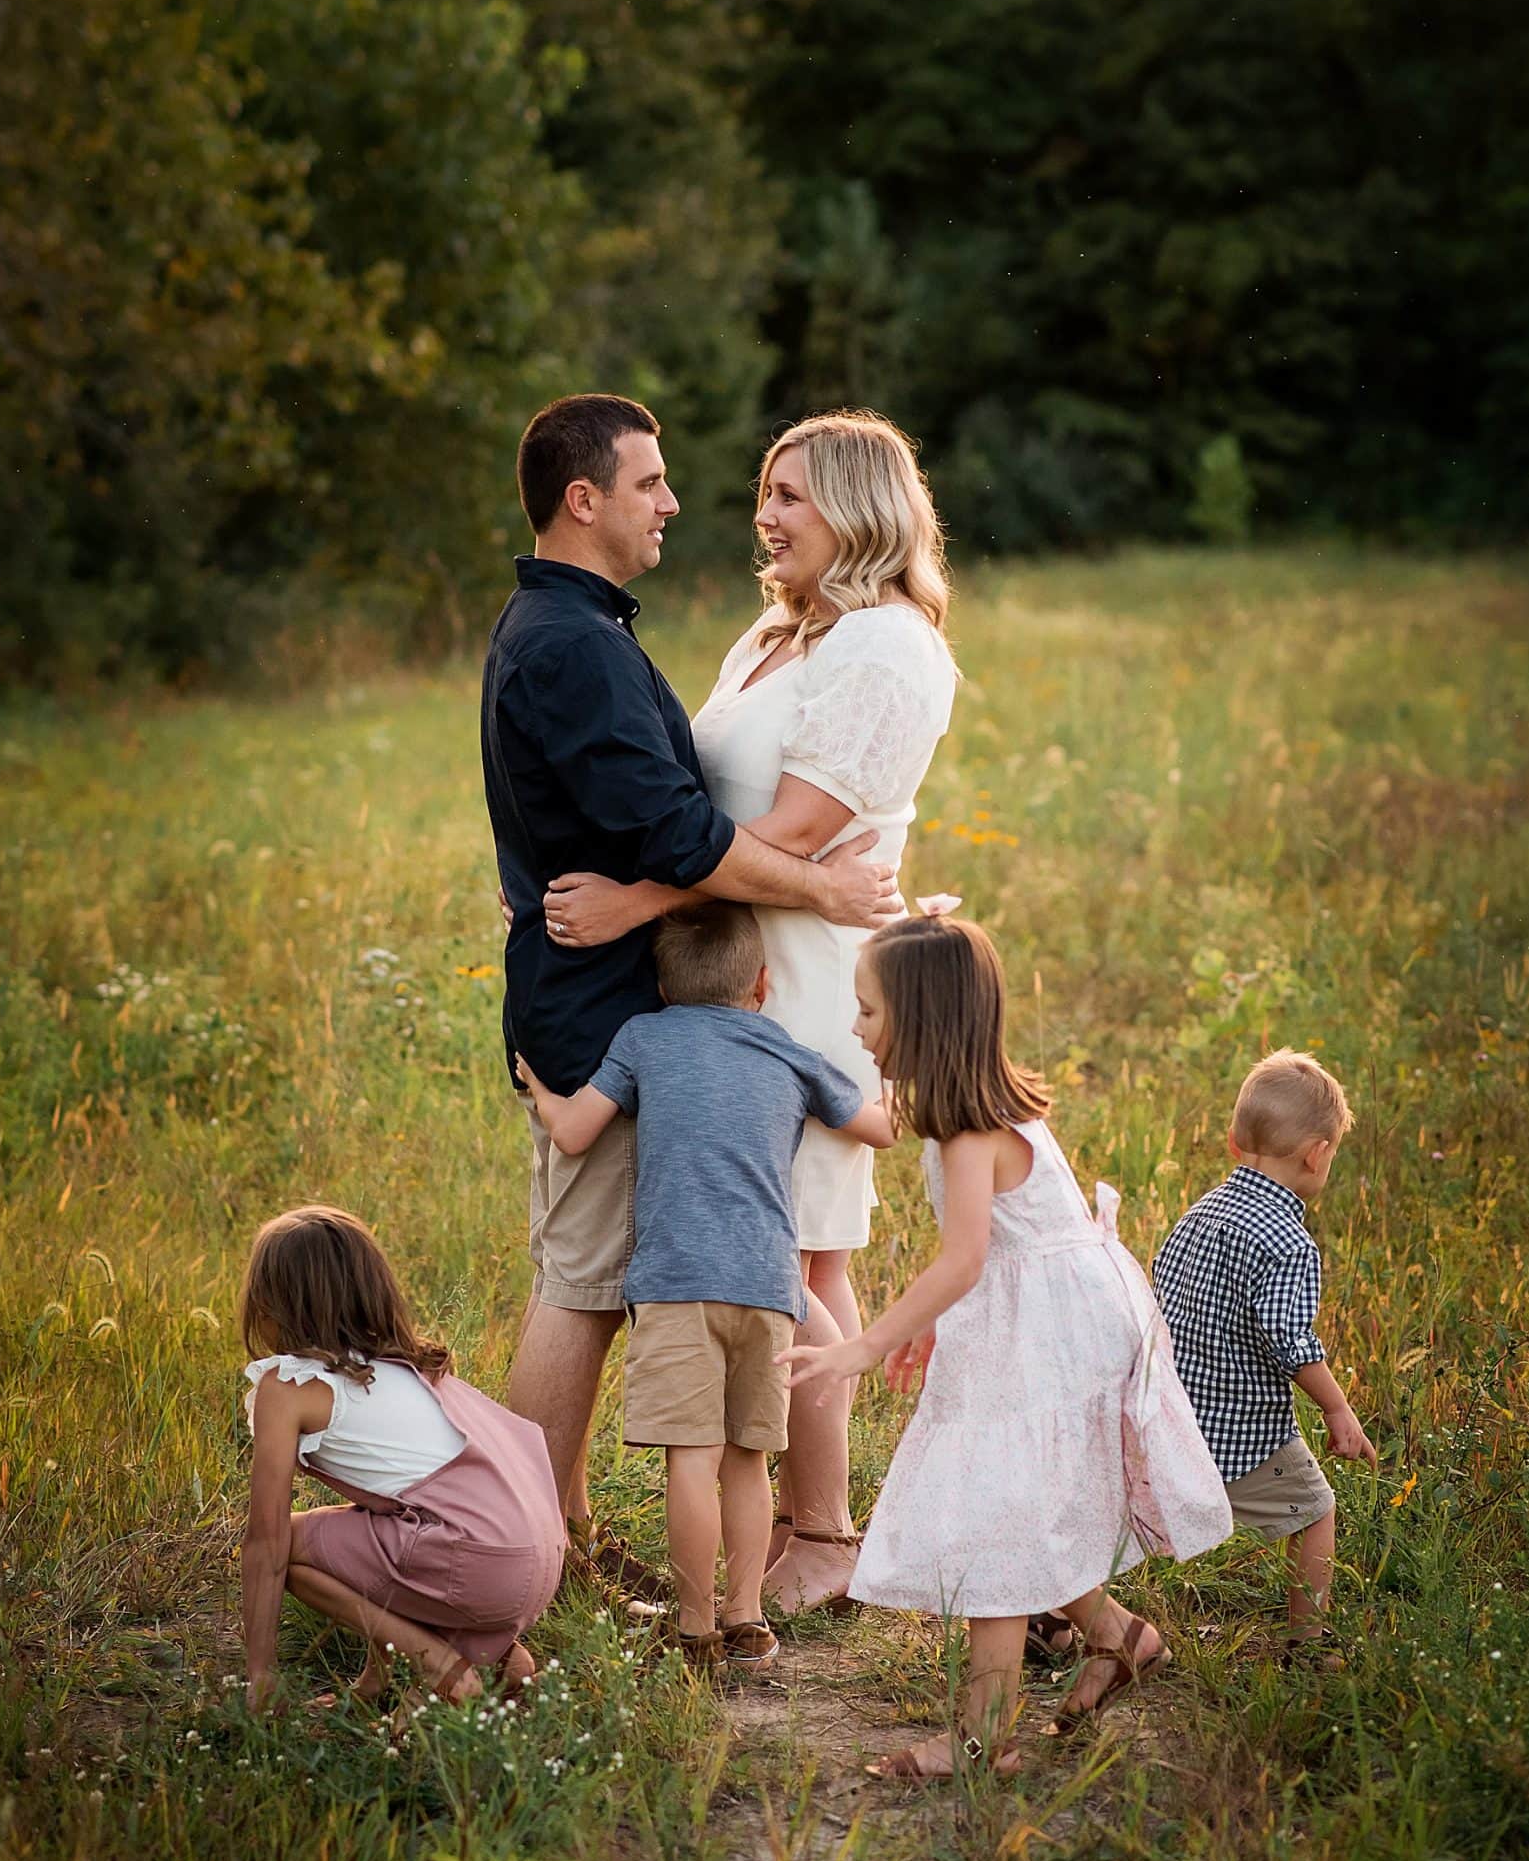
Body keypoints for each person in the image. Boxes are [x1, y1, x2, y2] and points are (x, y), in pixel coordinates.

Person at [541, 411, 957, 1617]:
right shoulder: (780, 635)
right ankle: (787, 1516)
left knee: (799, 1256)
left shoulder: (885, 647)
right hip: (739, 968)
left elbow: (789, 834)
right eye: (763, 494)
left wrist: (632, 906)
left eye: (793, 497)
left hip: (810, 983)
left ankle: (822, 1533)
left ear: (861, 509)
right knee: (791, 1253)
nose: (764, 517)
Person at [788, 917, 1233, 1782]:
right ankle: (1120, 1638)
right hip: (1047, 1313)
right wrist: (926, 1319)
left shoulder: (969, 1134)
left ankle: (982, 1741)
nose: (855, 1028)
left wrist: (866, 1345)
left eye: (867, 1011)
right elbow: (983, 1248)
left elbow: (964, 1258)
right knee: (1022, 1501)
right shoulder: (980, 1109)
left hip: (1051, 1334)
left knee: (998, 1512)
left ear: (919, 1020)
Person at [519, 901, 892, 1676]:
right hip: (768, 1287)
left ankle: (693, 1630)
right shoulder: (787, 1051)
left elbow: (576, 1133)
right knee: (747, 1459)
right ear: (760, 984)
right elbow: (880, 1126)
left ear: (658, 987)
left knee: (690, 1459)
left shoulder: (642, 1038)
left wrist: (541, 1090)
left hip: (675, 1286)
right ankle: (747, 1619)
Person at [239, 1205, 565, 1715]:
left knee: (295, 1546)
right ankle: (499, 1661)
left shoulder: (288, 1388)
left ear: (271, 1300)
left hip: (476, 1559)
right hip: (536, 1558)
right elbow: (388, 1525)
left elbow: (265, 1539)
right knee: (377, 1528)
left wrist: (259, 1674)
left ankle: (441, 1665)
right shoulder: (408, 1366)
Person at [1153, 1051, 1374, 1665]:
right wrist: (1337, 1408)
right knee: (1315, 1511)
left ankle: (1050, 1616)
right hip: (1242, 1432)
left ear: (1233, 1141)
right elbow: (1290, 1341)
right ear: (1317, 1152)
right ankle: (1307, 1646)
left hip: (1169, 1415)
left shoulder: (1199, 1215)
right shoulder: (1287, 1239)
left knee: (1130, 1522)